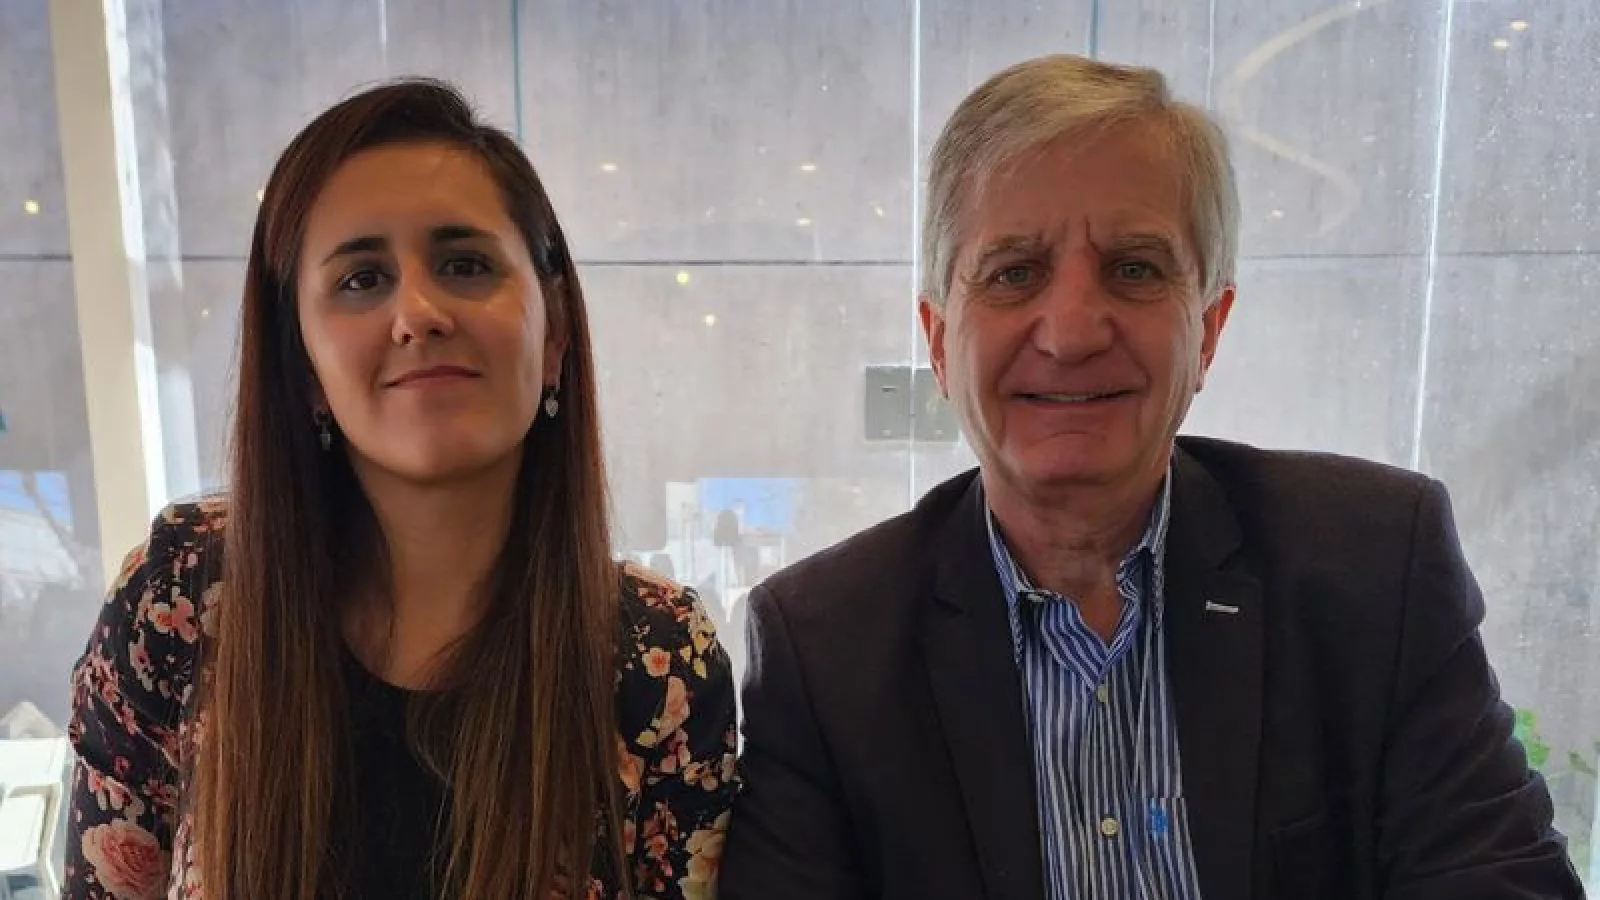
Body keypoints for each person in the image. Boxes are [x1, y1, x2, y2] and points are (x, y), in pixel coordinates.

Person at [720, 55, 1585, 900]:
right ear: (939, 341)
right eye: (1014, 273)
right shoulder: (824, 649)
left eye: (1134, 268)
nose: (1071, 331)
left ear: (1209, 326)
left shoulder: (1378, 569)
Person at [64, 80, 737, 900]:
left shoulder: (658, 657)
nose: (418, 313)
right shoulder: (179, 597)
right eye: (361, 279)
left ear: (555, 329)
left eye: (465, 265)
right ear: (304, 365)